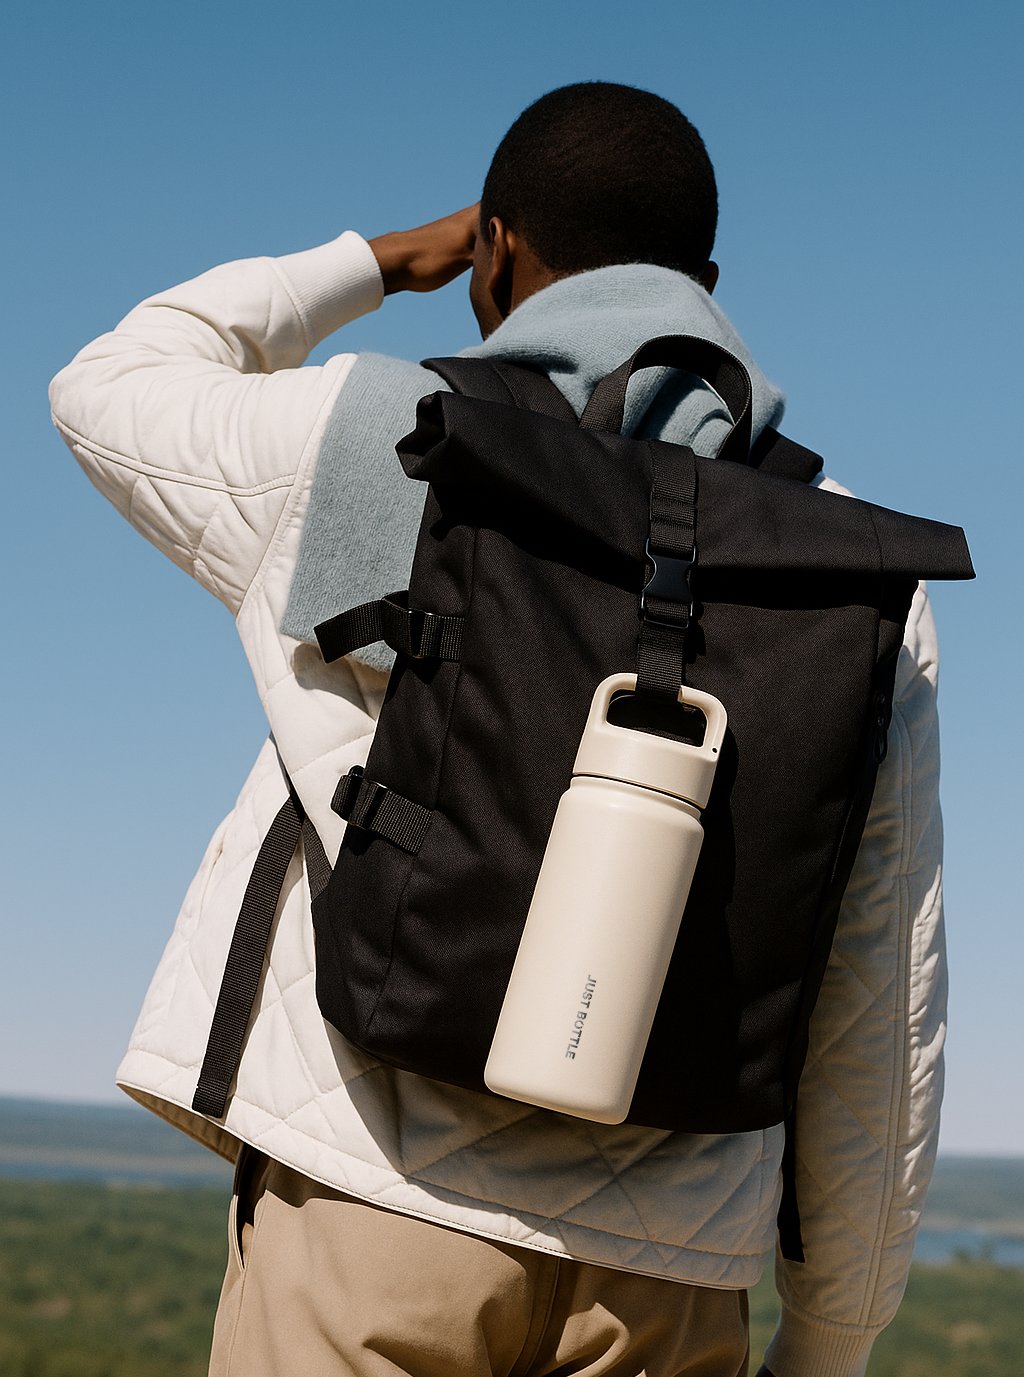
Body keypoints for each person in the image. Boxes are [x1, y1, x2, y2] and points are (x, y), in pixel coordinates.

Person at [49, 82, 946, 1377]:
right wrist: (833, 1333)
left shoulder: (377, 441)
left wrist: (380, 260)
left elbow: (110, 381)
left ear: (497, 246)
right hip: (673, 1261)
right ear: (705, 286)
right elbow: (880, 984)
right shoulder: (841, 562)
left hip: (371, 1191)